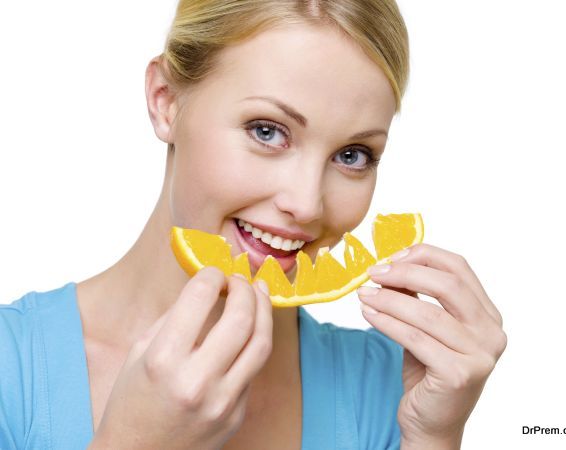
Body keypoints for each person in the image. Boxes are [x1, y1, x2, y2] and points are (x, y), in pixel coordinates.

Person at [0, 0, 507, 449]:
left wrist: (434, 438)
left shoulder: (394, 388)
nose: (306, 204)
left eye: (353, 155)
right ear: (165, 101)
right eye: (268, 131)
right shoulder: (11, 369)